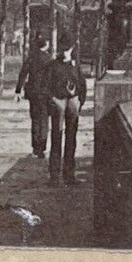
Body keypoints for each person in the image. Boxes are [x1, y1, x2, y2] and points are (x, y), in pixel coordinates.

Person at [45, 42, 87, 184]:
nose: (65, 52)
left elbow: (82, 84)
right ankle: (54, 176)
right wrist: (52, 99)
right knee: (56, 137)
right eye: (63, 49)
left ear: (71, 49)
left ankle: (69, 175)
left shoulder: (75, 66)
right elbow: (45, 85)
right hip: (59, 102)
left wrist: (80, 100)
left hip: (72, 102)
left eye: (67, 49)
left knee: (71, 138)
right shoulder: (52, 65)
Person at [14, 34, 51, 157]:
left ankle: (35, 148)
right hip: (46, 93)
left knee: (35, 120)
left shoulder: (31, 58)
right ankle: (43, 148)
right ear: (46, 45)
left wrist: (18, 91)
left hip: (33, 92)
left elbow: (23, 74)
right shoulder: (49, 59)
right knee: (44, 120)